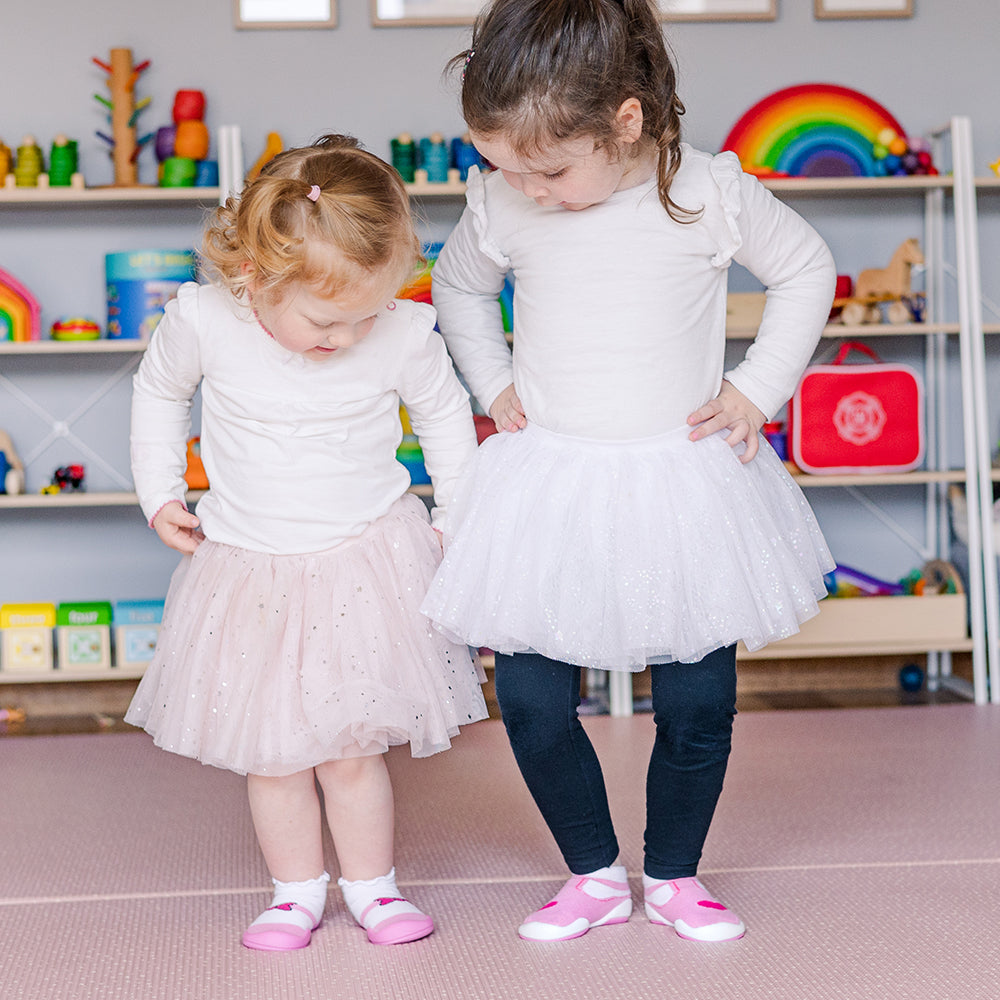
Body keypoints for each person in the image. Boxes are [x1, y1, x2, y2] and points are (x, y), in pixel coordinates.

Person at [421, 0, 837, 943]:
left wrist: (756, 391)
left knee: (698, 700)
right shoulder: (505, 202)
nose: (523, 186)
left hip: (682, 481)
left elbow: (807, 268)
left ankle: (678, 873)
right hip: (549, 483)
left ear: (626, 120)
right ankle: (594, 873)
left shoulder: (705, 191)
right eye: (502, 166)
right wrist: (492, 382)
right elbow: (458, 287)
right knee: (529, 698)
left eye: (549, 168)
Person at [125, 134, 487, 952]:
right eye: (328, 321)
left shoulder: (398, 331)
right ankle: (294, 893)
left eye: (367, 315)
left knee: (352, 750)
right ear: (254, 278)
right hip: (251, 567)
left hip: (364, 561)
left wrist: (456, 515)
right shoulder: (207, 318)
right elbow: (158, 392)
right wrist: (159, 494)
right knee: (275, 753)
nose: (350, 336)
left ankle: (373, 889)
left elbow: (444, 420)